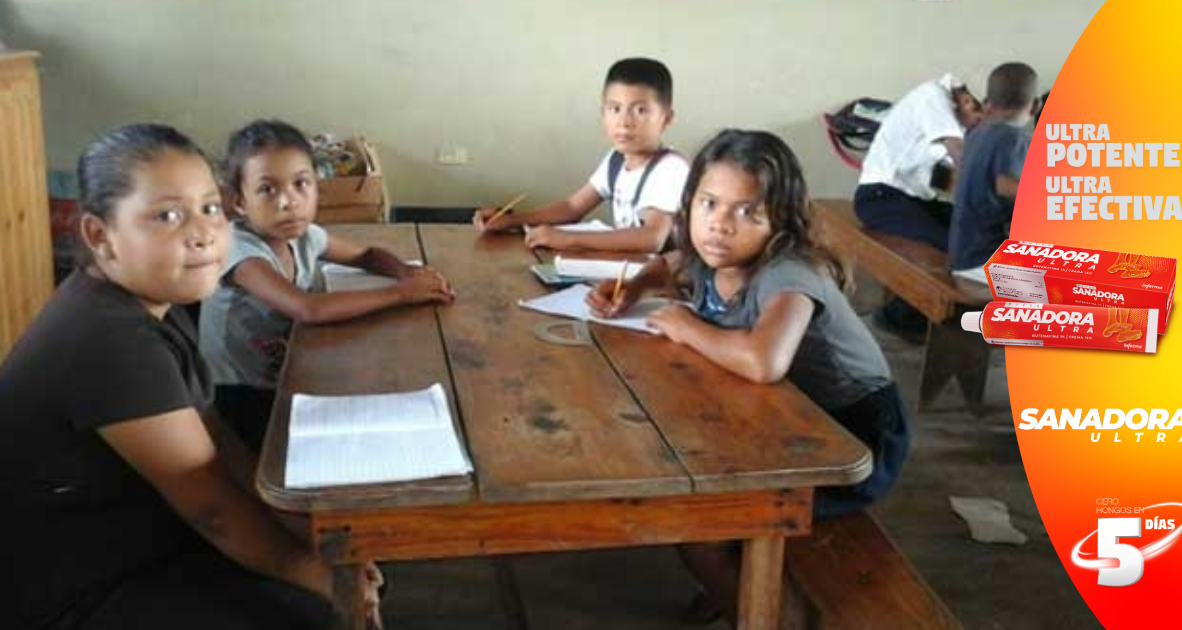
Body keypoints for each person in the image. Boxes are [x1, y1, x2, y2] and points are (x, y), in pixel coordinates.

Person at [0, 124, 382, 629]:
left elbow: (214, 436)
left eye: (210, 208)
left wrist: (312, 536)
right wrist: (321, 575)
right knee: (311, 609)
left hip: (142, 534)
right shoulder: (108, 339)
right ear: (100, 236)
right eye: (168, 215)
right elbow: (212, 511)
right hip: (75, 587)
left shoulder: (157, 302)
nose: (204, 233)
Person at [588, 129, 910, 627]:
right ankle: (736, 589)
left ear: (781, 222)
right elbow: (671, 263)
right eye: (709, 203)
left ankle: (766, 612)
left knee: (702, 526)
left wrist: (686, 325)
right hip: (784, 418)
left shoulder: (788, 275)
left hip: (853, 436)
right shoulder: (711, 255)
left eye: (747, 212)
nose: (720, 224)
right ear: (689, 202)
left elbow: (764, 361)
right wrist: (633, 287)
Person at [201, 119, 455, 450]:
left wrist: (404, 272)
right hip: (240, 388)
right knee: (295, 450)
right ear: (240, 202)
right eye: (267, 189)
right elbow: (308, 309)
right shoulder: (240, 251)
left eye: (301, 184)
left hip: (288, 361)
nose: (289, 201)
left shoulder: (305, 235)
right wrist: (402, 293)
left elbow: (366, 255)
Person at [473, 57, 689, 253]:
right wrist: (511, 220)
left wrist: (569, 239)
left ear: (667, 119)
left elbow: (652, 238)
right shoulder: (616, 159)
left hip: (665, 281)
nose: (624, 122)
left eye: (640, 110)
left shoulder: (670, 168)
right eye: (615, 109)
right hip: (629, 273)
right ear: (602, 112)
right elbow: (572, 207)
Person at [854, 74, 983, 341]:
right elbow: (961, 156)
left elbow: (946, 178)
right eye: (980, 119)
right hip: (880, 198)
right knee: (950, 244)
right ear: (968, 101)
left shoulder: (947, 119)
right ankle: (898, 316)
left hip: (911, 199)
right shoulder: (933, 97)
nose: (978, 127)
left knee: (976, 233)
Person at [948, 63, 1039, 271]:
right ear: (1035, 106)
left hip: (963, 256)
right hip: (984, 264)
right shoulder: (1014, 138)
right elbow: (1005, 187)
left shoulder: (975, 132)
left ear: (988, 102)